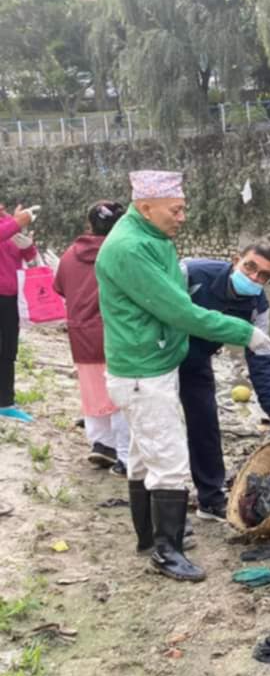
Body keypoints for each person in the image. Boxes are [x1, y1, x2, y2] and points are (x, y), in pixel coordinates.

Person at [96, 170, 270, 582]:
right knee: (170, 462)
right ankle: (168, 551)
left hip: (154, 361)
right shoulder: (129, 248)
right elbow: (179, 311)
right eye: (176, 209)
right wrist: (243, 332)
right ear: (146, 207)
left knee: (145, 457)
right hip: (144, 368)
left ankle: (150, 538)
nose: (183, 216)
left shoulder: (153, 239)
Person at [179, 244, 270, 522]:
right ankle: (156, 498)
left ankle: (210, 500)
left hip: (198, 360)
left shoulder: (257, 306)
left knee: (205, 425)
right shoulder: (192, 272)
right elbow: (162, 307)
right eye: (250, 267)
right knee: (160, 428)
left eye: (263, 275)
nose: (253, 278)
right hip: (161, 355)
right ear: (236, 260)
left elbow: (261, 361)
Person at [52, 201, 130, 474]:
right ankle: (124, 457)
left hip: (81, 334)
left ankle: (101, 444)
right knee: (122, 396)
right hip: (116, 334)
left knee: (93, 393)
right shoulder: (122, 253)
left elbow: (59, 287)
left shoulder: (70, 255)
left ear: (89, 224)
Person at [0, 202, 40, 423]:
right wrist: (16, 223)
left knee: (8, 349)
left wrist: (27, 245)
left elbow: (28, 256)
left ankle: (5, 401)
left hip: (10, 297)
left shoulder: (8, 225)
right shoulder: (9, 225)